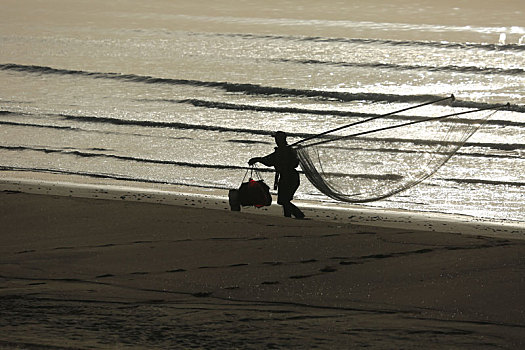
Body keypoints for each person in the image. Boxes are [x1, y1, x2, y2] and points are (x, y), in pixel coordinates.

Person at [248, 131, 305, 219]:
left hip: (289, 177)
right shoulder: (282, 151)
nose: (276, 140)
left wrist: (258, 159)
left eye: (277, 139)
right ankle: (289, 216)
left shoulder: (287, 151)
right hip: (287, 177)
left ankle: (297, 215)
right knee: (284, 200)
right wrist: (258, 159)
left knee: (284, 200)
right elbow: (269, 160)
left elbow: (270, 161)